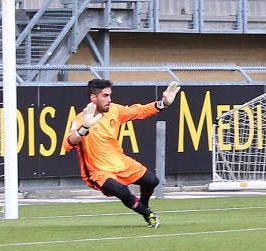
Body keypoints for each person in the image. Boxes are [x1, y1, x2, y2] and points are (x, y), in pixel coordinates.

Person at [65, 79, 181, 228]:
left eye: (109, 95)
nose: (109, 99)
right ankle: (147, 214)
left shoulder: (114, 110)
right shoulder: (81, 119)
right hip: (98, 170)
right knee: (121, 190)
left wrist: (162, 103)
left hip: (120, 162)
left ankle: (143, 205)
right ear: (93, 98)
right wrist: (84, 128)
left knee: (152, 182)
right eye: (105, 96)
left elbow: (138, 111)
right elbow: (68, 143)